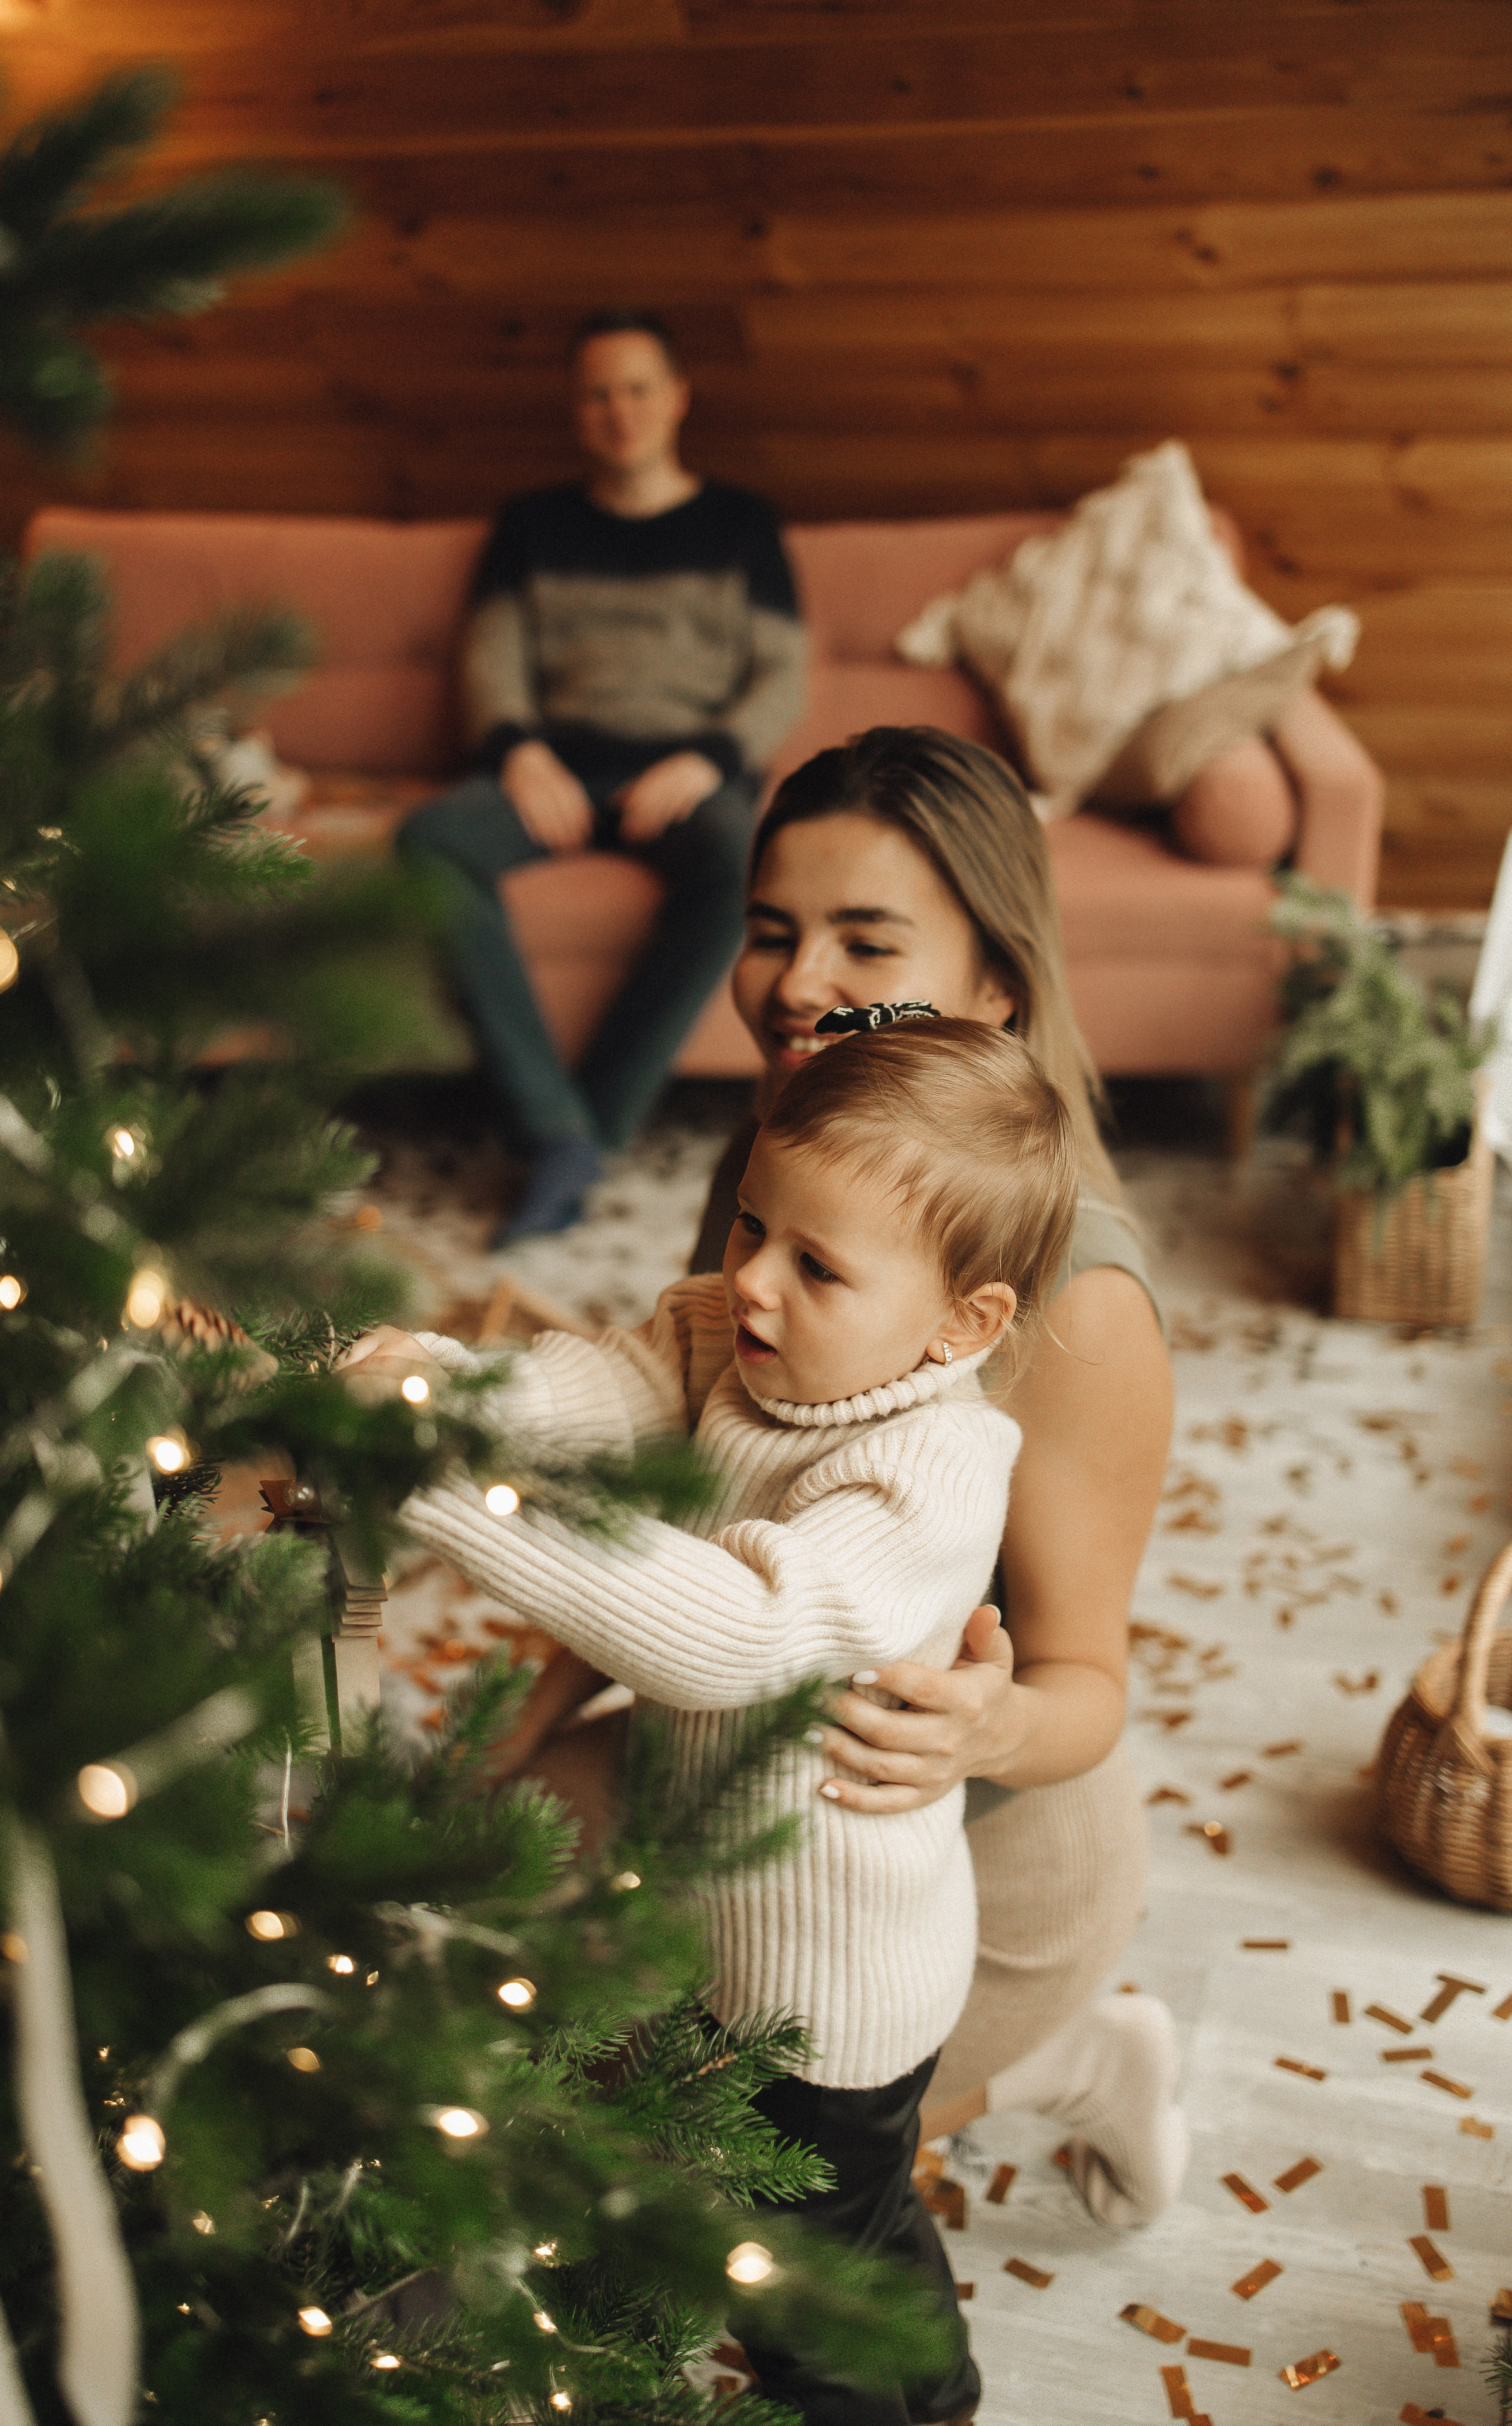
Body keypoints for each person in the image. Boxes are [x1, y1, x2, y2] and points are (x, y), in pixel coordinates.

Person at [507, 727, 1185, 2230]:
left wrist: (984, 1720)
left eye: (865, 941)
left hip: (959, 1856)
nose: (796, 984)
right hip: (740, 1750)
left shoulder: (1078, 1304)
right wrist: (518, 1728)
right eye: (768, 932)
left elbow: (1087, 1687)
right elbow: (676, 1501)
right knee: (480, 1922)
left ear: (997, 983)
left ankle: (1069, 2053)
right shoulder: (791, 1161)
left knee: (684, 2184)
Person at [358, 1014, 1079, 2426]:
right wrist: (432, 1389)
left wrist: (428, 1484)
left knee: (816, 2281)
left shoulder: (931, 1471)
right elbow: (580, 1395)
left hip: (831, 2009)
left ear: (961, 1322)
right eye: (751, 1221)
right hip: (719, 1934)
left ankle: (920, 2411)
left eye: (815, 1266)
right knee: (740, 2198)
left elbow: (739, 1635)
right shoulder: (722, 1335)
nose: (747, 1278)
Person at [397, 309, 807, 1243]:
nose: (619, 411)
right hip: (557, 764)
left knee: (742, 865)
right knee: (431, 842)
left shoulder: (744, 524)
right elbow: (492, 661)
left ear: (676, 401)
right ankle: (557, 1130)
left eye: (637, 389)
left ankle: (585, 1126)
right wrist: (519, 752)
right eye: (598, 394)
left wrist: (709, 760)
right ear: (577, 413)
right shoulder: (530, 523)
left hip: (690, 771)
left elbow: (781, 678)